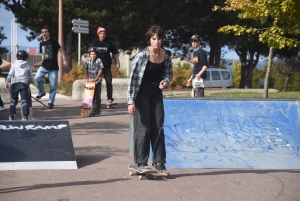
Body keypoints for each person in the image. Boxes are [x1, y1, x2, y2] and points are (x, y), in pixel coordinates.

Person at [127, 25, 173, 176]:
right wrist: (130, 101)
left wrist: (165, 81)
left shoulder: (165, 55)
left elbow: (168, 73)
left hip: (156, 92)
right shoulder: (141, 56)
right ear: (149, 40)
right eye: (154, 39)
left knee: (158, 126)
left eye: (159, 39)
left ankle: (159, 162)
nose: (157, 42)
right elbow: (133, 80)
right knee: (143, 127)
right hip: (142, 92)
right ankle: (141, 161)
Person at [35, 25, 68, 109]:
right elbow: (43, 54)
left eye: (46, 32)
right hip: (44, 65)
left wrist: (64, 60)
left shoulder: (53, 41)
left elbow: (61, 50)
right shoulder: (41, 43)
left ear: (48, 33)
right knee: (37, 78)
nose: (44, 33)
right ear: (41, 34)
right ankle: (42, 92)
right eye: (43, 32)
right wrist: (42, 61)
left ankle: (50, 103)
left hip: (53, 67)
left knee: (53, 86)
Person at [89, 27, 120, 105]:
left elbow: (115, 52)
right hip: (97, 67)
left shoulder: (108, 43)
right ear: (98, 34)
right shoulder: (95, 43)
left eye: (104, 34)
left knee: (109, 82)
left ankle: (110, 98)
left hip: (106, 66)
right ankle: (95, 98)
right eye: (101, 34)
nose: (103, 35)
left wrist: (118, 62)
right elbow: (89, 52)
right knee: (96, 82)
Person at [5, 50, 33, 120]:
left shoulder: (14, 64)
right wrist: (28, 83)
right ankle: (25, 116)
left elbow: (10, 74)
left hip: (15, 83)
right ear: (25, 58)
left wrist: (7, 82)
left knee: (13, 100)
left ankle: (11, 115)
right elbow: (31, 77)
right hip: (23, 84)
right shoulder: (27, 65)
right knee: (24, 100)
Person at [83, 47, 104, 117]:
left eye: (94, 54)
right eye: (91, 54)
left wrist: (96, 78)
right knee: (91, 97)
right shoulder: (87, 60)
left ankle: (98, 110)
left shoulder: (99, 60)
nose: (93, 55)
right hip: (90, 82)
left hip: (97, 81)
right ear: (89, 55)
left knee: (97, 97)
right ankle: (91, 111)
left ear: (96, 54)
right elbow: (85, 69)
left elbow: (101, 70)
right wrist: (87, 78)